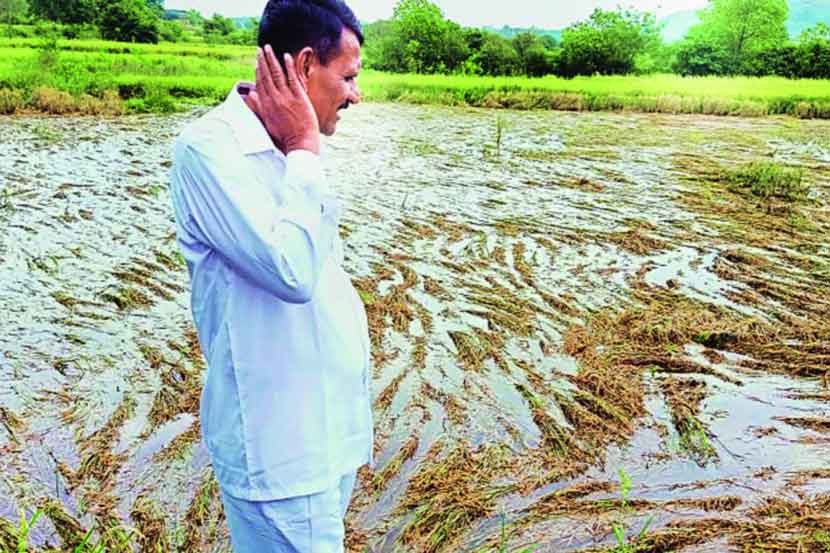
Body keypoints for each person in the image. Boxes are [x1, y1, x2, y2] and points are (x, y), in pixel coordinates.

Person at [168, 1, 372, 550]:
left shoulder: (282, 149)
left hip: (328, 434)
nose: (356, 94)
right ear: (305, 66)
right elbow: (291, 271)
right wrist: (305, 148)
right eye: (348, 77)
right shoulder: (210, 152)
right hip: (280, 449)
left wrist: (299, 150)